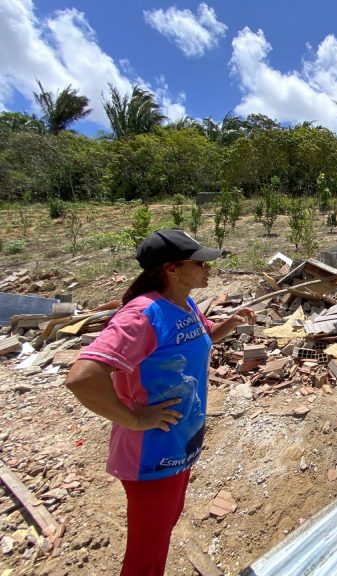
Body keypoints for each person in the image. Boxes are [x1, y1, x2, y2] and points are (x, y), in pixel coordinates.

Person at [65, 228, 256, 576]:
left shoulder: (184, 304)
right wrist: (135, 419)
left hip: (178, 444)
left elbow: (197, 336)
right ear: (171, 268)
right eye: (199, 263)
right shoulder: (143, 315)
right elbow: (82, 377)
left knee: (162, 531)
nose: (207, 269)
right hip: (149, 455)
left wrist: (228, 325)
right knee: (146, 555)